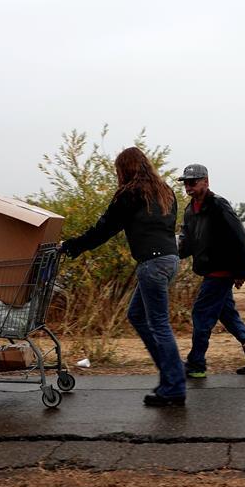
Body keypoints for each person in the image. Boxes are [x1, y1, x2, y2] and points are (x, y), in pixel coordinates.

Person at [60, 147, 185, 407]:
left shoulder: (130, 193)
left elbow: (105, 228)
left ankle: (173, 385)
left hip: (152, 263)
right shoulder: (165, 191)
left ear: (124, 169)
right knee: (137, 315)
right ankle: (170, 375)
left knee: (159, 324)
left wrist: (72, 246)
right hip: (170, 260)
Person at [178, 163, 245, 378]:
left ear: (206, 182)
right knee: (228, 316)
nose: (189, 187)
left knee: (201, 316)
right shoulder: (190, 210)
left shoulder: (219, 206)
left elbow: (239, 238)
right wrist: (173, 253)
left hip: (221, 272)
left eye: (193, 182)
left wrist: (242, 271)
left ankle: (196, 364)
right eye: (186, 183)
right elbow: (188, 242)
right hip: (209, 270)